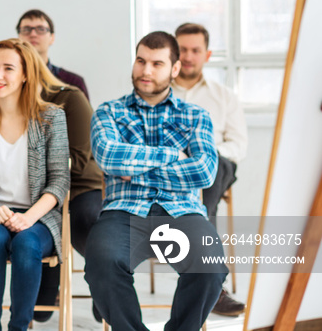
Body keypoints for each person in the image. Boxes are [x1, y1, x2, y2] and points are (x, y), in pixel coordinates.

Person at [85, 31, 228, 331]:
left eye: (157, 64)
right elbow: (109, 157)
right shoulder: (108, 112)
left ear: (175, 69)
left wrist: (135, 167)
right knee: (102, 262)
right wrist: (173, 155)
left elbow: (203, 171)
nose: (146, 71)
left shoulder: (196, 116)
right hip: (122, 211)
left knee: (210, 266)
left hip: (182, 212)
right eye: (141, 61)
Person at [0, 38, 70, 331]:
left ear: (25, 75)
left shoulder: (51, 118)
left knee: (27, 243)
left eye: (8, 68)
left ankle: (20, 327)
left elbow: (60, 181)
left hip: (38, 216)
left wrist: (29, 217)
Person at [173, 22, 248, 317]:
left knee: (209, 173)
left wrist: (207, 155)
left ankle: (209, 280)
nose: (188, 56)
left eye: (195, 50)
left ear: (208, 54)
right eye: (182, 49)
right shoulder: (157, 93)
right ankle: (209, 282)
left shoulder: (224, 96)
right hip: (174, 170)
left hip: (218, 166)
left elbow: (238, 145)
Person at [28, 49, 104, 323]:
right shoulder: (6, 104)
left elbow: (80, 159)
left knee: (85, 217)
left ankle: (103, 281)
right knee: (41, 310)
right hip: (35, 192)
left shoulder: (70, 97)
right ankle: (44, 294)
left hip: (81, 185)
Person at [16, 9, 89, 100]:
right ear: (18, 37)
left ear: (52, 38)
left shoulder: (73, 82)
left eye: (41, 29)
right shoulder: (6, 80)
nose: (33, 34)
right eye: (26, 29)